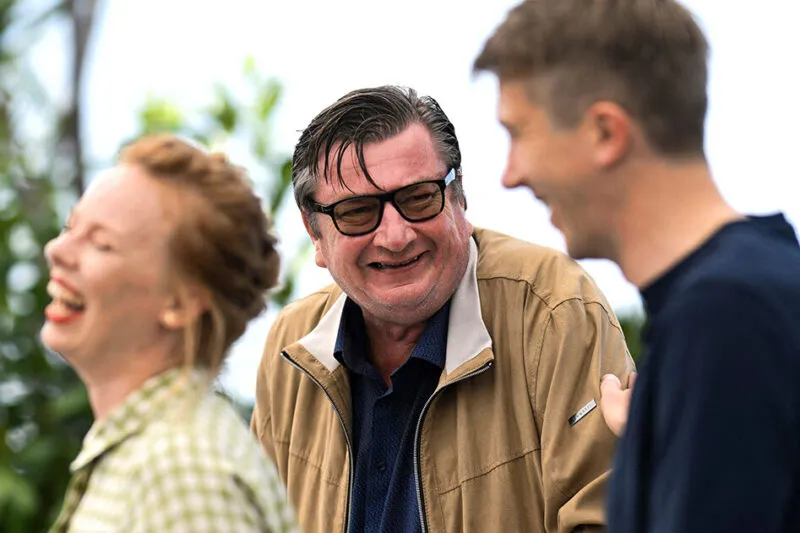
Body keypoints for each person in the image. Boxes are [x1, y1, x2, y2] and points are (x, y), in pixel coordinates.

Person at [474, 1, 800, 531]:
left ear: (606, 133)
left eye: (519, 133)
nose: (510, 175)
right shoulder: (755, 291)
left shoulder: (726, 320)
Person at [250, 85, 634, 533]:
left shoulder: (553, 310)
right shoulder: (291, 346)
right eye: (357, 212)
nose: (395, 236)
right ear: (314, 232)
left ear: (459, 197)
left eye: (418, 198)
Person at [44, 134, 298, 532]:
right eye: (70, 226)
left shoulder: (181, 471)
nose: (56, 250)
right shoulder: (154, 454)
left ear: (181, 304)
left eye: (102, 244)